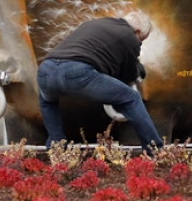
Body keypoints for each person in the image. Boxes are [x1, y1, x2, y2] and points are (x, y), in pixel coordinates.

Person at [36, 14, 164, 152]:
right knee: (131, 98)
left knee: (47, 102)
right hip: (77, 73)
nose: (139, 43)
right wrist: (140, 69)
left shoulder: (95, 23)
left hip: (46, 70)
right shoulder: (130, 37)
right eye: (141, 40)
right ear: (137, 31)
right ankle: (155, 150)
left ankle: (56, 147)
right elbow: (130, 74)